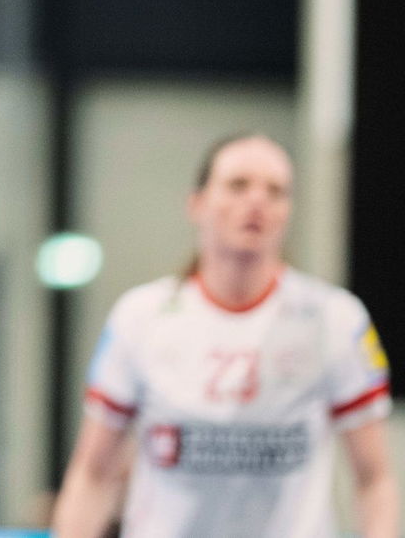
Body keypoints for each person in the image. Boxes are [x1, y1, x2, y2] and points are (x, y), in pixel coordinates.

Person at [51, 134, 398, 538]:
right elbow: (93, 474)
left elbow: (374, 480)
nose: (257, 202)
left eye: (276, 191)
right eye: (237, 185)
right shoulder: (141, 317)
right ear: (196, 203)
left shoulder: (334, 319)